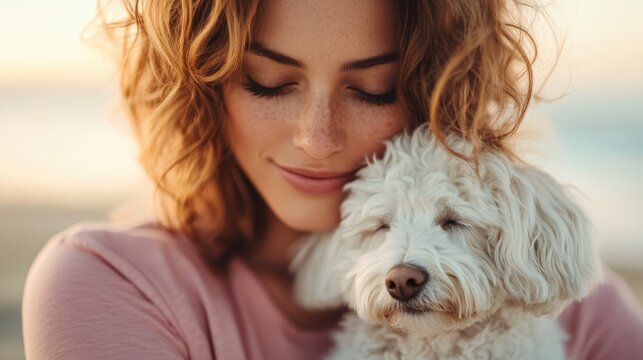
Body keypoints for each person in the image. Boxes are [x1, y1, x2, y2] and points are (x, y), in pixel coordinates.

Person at [22, 0, 643, 359]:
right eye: (268, 82)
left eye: (375, 90)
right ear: (201, 86)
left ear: (440, 84)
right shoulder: (115, 287)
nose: (317, 139)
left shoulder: (585, 313)